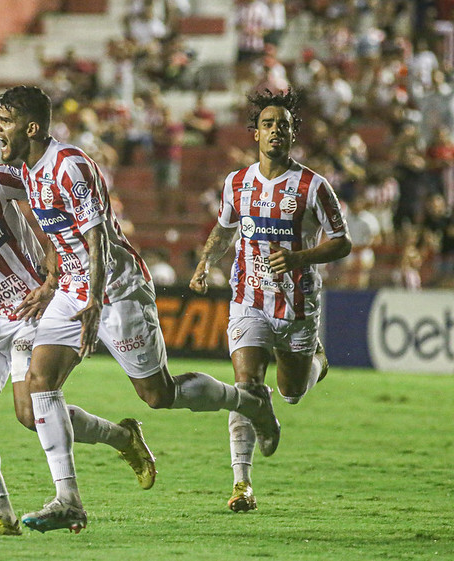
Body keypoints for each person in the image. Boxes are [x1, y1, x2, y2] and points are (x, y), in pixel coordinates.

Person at [0, 86, 279, 533]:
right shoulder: (27, 171)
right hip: (73, 289)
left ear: (31, 127)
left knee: (158, 395)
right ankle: (69, 500)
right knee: (39, 385)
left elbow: (97, 238)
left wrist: (92, 298)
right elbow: (59, 235)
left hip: (116, 291)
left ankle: (249, 401)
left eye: (4, 120)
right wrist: (56, 283)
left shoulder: (70, 165)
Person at [0, 120, 158, 536]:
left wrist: (57, 255)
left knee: (29, 413)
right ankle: (2, 517)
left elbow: (48, 198)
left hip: (31, 310)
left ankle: (120, 439)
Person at [189, 88, 352, 513]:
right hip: (249, 300)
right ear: (255, 134)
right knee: (246, 387)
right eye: (267, 124)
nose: (275, 130)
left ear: (293, 134)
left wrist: (298, 257)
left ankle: (315, 361)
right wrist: (206, 262)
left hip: (297, 305)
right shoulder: (237, 182)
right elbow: (225, 228)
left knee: (292, 391)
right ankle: (241, 483)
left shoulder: (313, 186)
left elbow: (342, 242)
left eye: (283, 124)